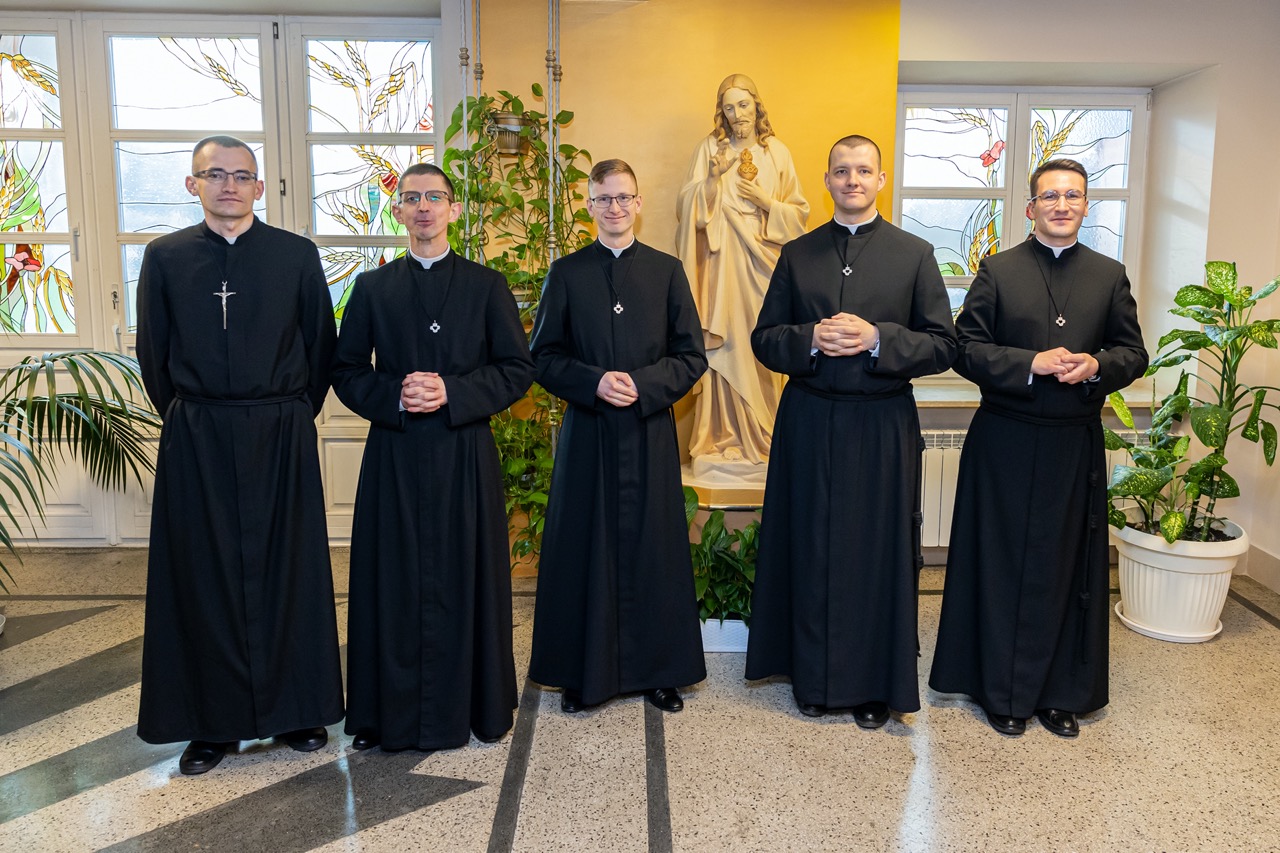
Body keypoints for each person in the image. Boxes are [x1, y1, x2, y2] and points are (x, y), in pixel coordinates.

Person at [135, 135, 343, 775]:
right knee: (202, 575)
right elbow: (153, 352)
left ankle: (298, 710)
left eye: (241, 175)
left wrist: (289, 411)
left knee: (291, 569)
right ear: (192, 184)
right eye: (215, 174)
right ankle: (211, 725)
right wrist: (194, 413)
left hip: (279, 427)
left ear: (259, 185)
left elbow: (321, 344)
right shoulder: (166, 257)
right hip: (198, 431)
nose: (229, 185)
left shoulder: (295, 255)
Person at [929, 158, 1147, 738]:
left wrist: (1097, 365)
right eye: (1050, 195)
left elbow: (1134, 353)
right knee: (999, 565)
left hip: (1072, 444)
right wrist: (1030, 362)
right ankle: (999, 691)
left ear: (1085, 206)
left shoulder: (1109, 275)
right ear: (1031, 207)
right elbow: (964, 348)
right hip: (1004, 438)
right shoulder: (998, 270)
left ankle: (1059, 695)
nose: (1061, 205)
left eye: (1072, 195)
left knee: (1065, 569)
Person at [746, 135, 957, 727]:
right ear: (828, 180)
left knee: (874, 553)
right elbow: (765, 339)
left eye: (864, 170)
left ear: (881, 180)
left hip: (881, 423)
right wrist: (809, 338)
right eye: (842, 171)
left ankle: (871, 687)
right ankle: (812, 678)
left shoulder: (914, 254)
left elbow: (944, 345)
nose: (853, 180)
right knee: (810, 546)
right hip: (809, 420)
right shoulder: (798, 254)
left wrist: (878, 339)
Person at [332, 163, 534, 751]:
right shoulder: (372, 288)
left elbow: (517, 368)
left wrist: (453, 391)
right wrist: (395, 394)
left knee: (466, 577)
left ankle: (478, 708)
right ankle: (382, 714)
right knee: (391, 580)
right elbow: (346, 370)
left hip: (463, 450)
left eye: (435, 197)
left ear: (454, 209)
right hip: (394, 454)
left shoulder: (487, 285)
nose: (424, 207)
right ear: (398, 210)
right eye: (412, 197)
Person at [528, 159, 708, 714]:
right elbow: (542, 356)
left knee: (655, 551)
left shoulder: (667, 271)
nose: (614, 207)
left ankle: (661, 673)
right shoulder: (566, 273)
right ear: (589, 205)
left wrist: (644, 384)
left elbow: (691, 356)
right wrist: (594, 381)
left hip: (648, 431)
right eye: (604, 198)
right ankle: (583, 674)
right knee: (584, 549)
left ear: (638, 203)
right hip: (588, 432)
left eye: (623, 197)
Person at [675, 73, 809, 470]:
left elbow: (798, 216)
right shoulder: (709, 148)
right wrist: (713, 178)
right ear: (722, 112)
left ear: (756, 105)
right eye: (729, 107)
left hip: (765, 264)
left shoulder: (776, 153)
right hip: (721, 262)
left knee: (762, 344)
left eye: (744, 104)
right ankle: (719, 439)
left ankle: (765, 436)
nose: (737, 114)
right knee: (726, 340)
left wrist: (765, 201)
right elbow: (687, 209)